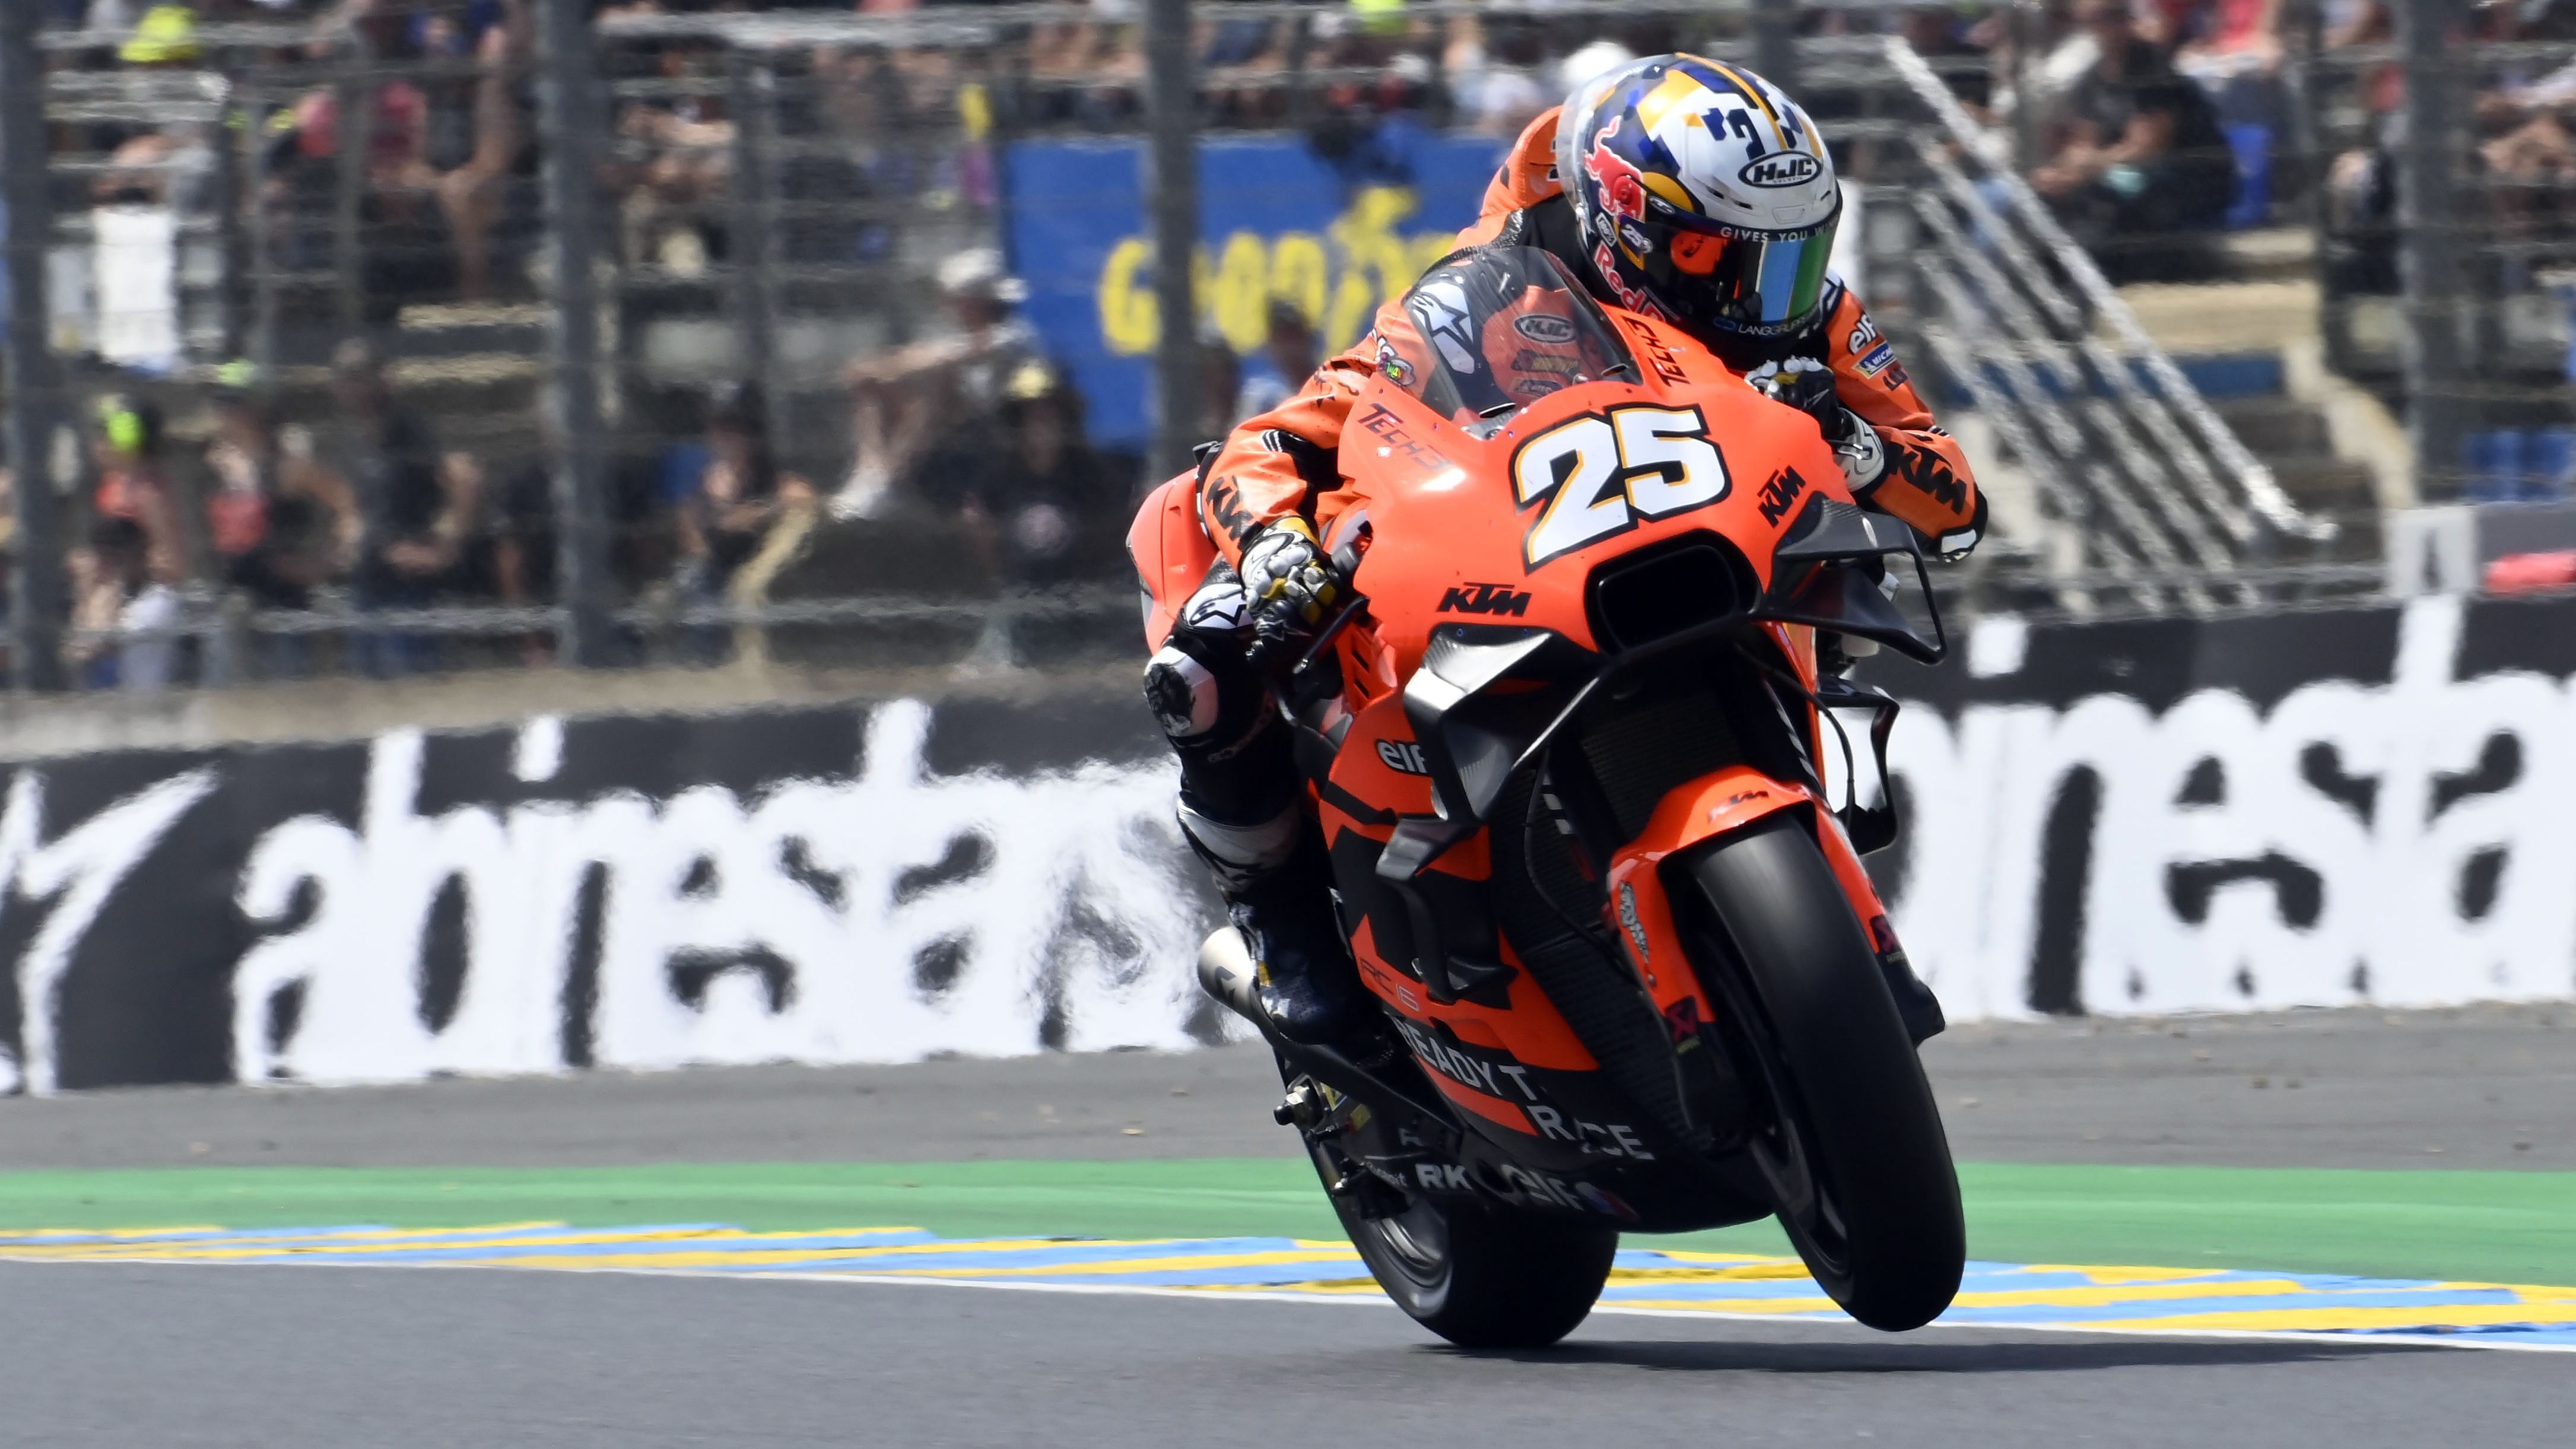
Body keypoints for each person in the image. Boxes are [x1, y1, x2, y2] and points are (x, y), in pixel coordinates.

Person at [1141, 56, 1984, 1055]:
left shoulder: (1809, 308)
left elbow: (1955, 505)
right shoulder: (1481, 292)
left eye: (1795, 258)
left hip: (1737, 569)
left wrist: (1853, 443)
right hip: (1528, 563)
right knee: (1205, 661)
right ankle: (1285, 935)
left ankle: (1814, 904)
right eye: (1721, 259)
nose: (1766, 297)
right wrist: (1275, 542)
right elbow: (1275, 438)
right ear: (1628, 228)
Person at [2031, 0, 2237, 281]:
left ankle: (2120, 268)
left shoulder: (2153, 68)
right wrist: (2063, 173)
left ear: (2125, 20)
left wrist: (2092, 165)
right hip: (2121, 171)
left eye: (2108, 17)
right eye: (2091, 20)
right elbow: (2085, 143)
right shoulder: (2093, 79)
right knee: (2049, 194)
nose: (2100, 28)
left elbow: (2148, 147)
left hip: (2187, 175)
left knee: (2115, 186)